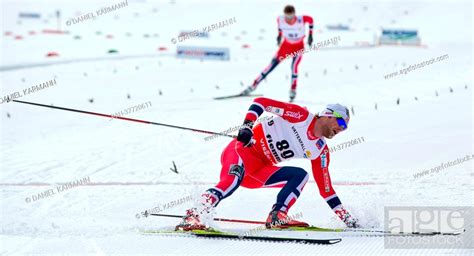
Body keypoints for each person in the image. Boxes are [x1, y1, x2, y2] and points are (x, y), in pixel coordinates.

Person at [176, 97, 359, 231]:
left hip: (259, 172)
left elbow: (326, 190)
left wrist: (347, 219)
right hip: (242, 151)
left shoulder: (320, 150)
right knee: (232, 180)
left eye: (346, 127)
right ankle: (195, 214)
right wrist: (247, 126)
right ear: (328, 115)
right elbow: (261, 102)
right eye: (341, 122)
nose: (342, 129)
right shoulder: (300, 116)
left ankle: (277, 216)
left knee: (300, 176)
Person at [241, 5, 314, 102]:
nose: (289, 20)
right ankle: (253, 86)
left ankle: (293, 90)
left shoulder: (302, 19)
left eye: (291, 17)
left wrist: (310, 35)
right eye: (287, 17)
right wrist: (279, 36)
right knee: (270, 67)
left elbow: (311, 20)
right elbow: (280, 29)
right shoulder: (280, 19)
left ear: (294, 15)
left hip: (298, 46)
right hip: (286, 47)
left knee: (294, 67)